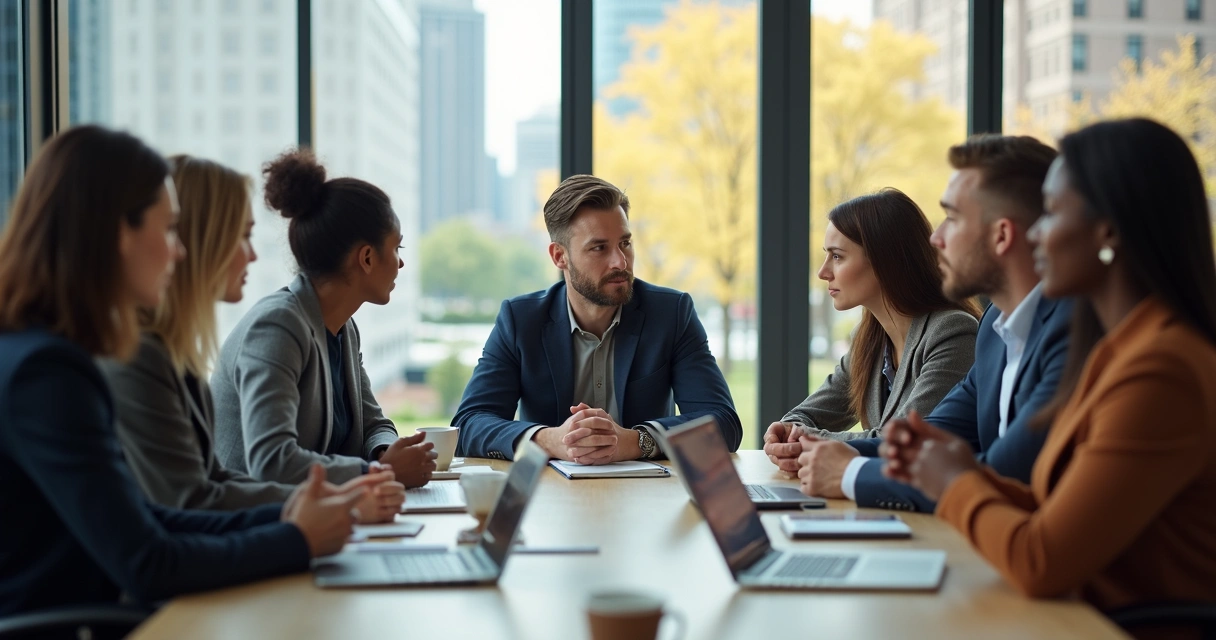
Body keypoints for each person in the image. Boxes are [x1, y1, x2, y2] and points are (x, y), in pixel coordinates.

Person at [0, 125, 373, 616]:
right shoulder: (49, 373)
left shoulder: (43, 355)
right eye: (170, 229)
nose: (180, 249)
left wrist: (295, 520)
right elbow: (149, 561)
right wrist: (297, 538)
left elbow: (151, 520)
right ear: (117, 233)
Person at [883, 118, 1216, 613]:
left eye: (1053, 213)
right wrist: (946, 468)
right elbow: (1052, 506)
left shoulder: (1161, 369)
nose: (1034, 233)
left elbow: (1040, 559)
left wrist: (955, 481)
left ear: (1107, 232)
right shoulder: (1121, 349)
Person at [100, 155, 404, 522]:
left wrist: (380, 459)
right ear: (202, 240)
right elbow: (206, 497)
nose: (254, 254)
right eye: (243, 236)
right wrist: (361, 487)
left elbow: (210, 485)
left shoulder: (174, 354)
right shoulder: (275, 325)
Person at [794, 135, 1070, 510]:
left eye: (952, 218)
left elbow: (1004, 474)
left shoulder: (1067, 334)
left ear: (1002, 235)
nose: (936, 238)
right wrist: (819, 448)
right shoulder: (995, 330)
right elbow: (926, 439)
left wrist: (848, 472)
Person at [453, 175, 741, 462]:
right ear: (559, 257)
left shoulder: (671, 314)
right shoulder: (520, 320)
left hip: (649, 498)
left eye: (625, 243)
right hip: (549, 498)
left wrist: (635, 441)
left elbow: (723, 423)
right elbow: (468, 425)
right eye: (599, 248)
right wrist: (549, 440)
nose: (621, 261)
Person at [211, 149, 436, 488]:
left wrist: (386, 454)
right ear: (367, 258)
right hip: (250, 524)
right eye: (397, 249)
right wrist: (379, 473)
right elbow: (272, 462)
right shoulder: (277, 326)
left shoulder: (343, 328)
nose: (401, 264)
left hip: (313, 517)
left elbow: (374, 424)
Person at [763, 188, 980, 491]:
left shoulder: (952, 333)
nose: (823, 272)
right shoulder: (869, 339)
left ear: (884, 261)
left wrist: (804, 438)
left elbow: (904, 442)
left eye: (837, 256)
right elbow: (806, 415)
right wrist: (786, 431)